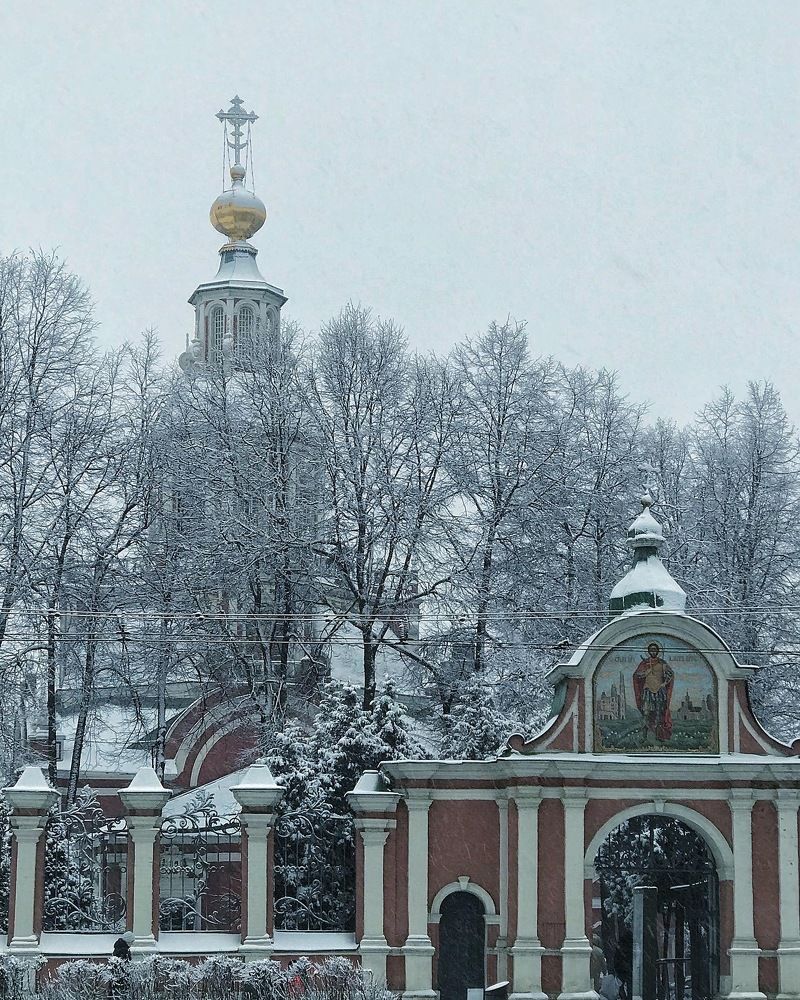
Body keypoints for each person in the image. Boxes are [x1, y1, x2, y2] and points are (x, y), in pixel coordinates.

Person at [632, 642, 674, 742]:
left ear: (658, 651)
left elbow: (670, 675)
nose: (653, 651)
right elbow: (637, 676)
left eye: (655, 650)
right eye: (651, 650)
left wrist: (665, 683)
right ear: (649, 651)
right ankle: (644, 736)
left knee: (659, 714)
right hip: (648, 691)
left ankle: (658, 736)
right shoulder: (644, 663)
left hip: (659, 691)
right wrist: (645, 672)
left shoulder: (662, 663)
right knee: (646, 713)